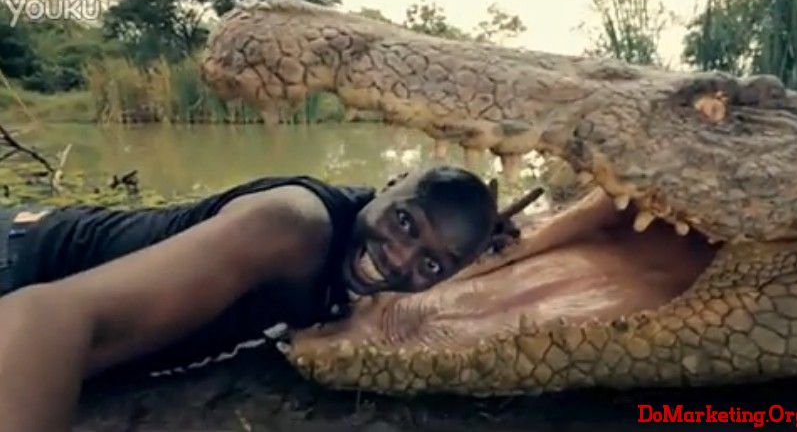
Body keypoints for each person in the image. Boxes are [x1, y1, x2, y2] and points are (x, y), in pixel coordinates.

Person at [0, 166, 529, 431]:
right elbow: (40, 316)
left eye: (432, 264)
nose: (399, 259)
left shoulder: (362, 243)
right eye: (405, 222)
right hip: (18, 260)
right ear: (387, 185)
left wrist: (480, 239)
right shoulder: (289, 228)